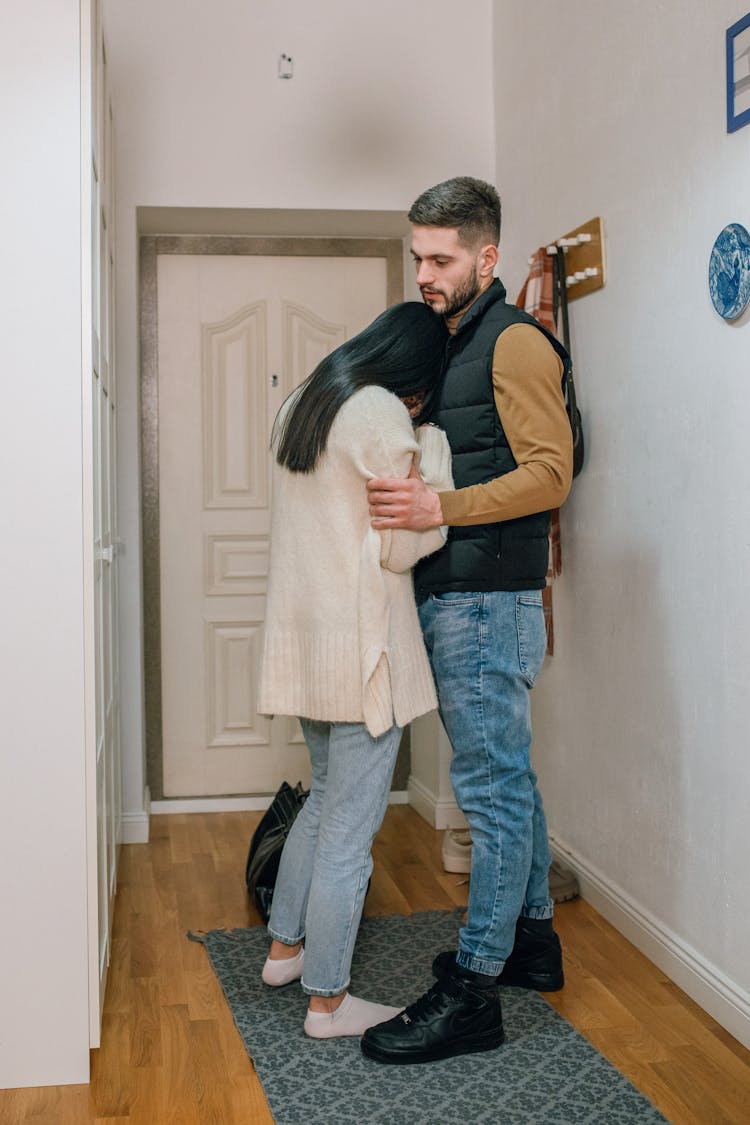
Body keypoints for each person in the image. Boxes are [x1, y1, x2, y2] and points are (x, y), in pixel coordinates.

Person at [361, 176, 574, 1065]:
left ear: (488, 257)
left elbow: (551, 472)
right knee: (508, 781)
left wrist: (437, 508)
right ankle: (531, 940)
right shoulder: (455, 341)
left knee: (487, 796)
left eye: (441, 258)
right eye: (418, 257)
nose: (425, 273)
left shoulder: (514, 342)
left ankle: (474, 990)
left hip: (488, 603)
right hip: (468, 598)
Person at [257, 301, 454, 1040]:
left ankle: (286, 949)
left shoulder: (303, 401)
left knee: (324, 801)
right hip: (363, 650)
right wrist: (432, 453)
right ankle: (329, 1002)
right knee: (348, 829)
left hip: (308, 648)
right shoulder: (378, 412)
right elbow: (404, 546)